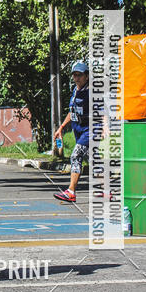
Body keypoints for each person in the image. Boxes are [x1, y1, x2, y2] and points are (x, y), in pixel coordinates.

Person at [53, 61, 89, 203]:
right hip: (78, 129)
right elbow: (71, 111)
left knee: (75, 156)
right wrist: (61, 127)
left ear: (86, 76)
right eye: (74, 75)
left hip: (90, 130)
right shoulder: (75, 90)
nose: (76, 78)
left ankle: (71, 192)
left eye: (79, 75)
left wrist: (105, 126)